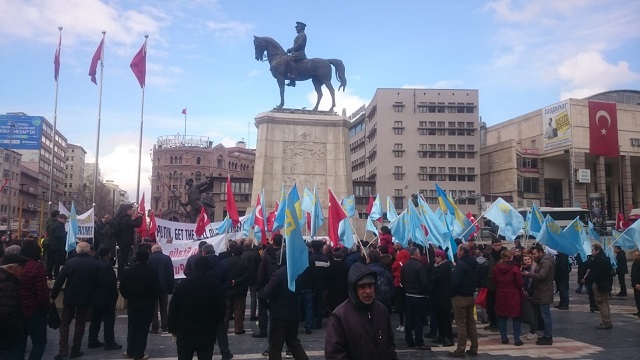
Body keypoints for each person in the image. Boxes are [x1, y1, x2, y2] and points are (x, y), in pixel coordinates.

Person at [325, 262, 399, 360]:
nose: (368, 291)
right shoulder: (339, 317)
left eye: (370, 286)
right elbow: (334, 355)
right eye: (362, 287)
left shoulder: (381, 310)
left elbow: (389, 345)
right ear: (354, 290)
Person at [168, 256, 225, 360]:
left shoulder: (182, 285)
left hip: (185, 332)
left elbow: (173, 309)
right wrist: (214, 324)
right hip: (206, 332)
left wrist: (172, 328)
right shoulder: (215, 285)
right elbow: (221, 310)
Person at [50, 242, 99, 360]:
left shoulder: (70, 263)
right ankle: (75, 349)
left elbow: (60, 280)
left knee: (65, 323)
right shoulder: (94, 263)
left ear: (77, 251)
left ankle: (63, 349)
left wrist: (53, 295)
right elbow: (97, 282)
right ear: (88, 251)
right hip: (86, 297)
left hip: (70, 297)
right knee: (80, 324)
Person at [263, 250, 309, 360]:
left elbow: (266, 292)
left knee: (275, 346)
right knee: (293, 342)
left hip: (279, 314)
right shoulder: (297, 273)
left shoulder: (278, 274)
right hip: (294, 311)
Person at [119, 249, 161, 360]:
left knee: (132, 327)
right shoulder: (152, 272)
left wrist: (128, 296)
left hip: (133, 303)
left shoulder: (128, 271)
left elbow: (122, 288)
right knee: (143, 329)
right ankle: (139, 353)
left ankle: (130, 351)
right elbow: (157, 289)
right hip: (147, 304)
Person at [18, 240, 50, 360]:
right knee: (39, 342)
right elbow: (42, 293)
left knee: (19, 343)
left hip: (18, 311)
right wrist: (46, 308)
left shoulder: (16, 267)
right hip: (35, 310)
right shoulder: (37, 267)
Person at [87, 247, 122, 351]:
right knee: (108, 321)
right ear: (107, 255)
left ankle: (92, 340)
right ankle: (109, 342)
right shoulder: (107, 266)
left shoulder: (94, 264)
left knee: (95, 320)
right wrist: (114, 295)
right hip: (106, 298)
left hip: (95, 297)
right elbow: (110, 282)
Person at [203, 244, 233, 360]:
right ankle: (225, 351)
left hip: (204, 298)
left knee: (203, 324)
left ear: (204, 252)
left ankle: (204, 350)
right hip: (220, 297)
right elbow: (228, 282)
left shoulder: (201, 265)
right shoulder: (223, 265)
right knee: (220, 325)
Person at [449, 244, 479, 357]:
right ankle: (474, 347)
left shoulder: (461, 264)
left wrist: (451, 293)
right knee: (471, 323)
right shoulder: (474, 263)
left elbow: (456, 281)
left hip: (460, 296)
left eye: (458, 250)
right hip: (470, 295)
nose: (457, 252)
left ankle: (460, 349)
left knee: (461, 325)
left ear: (462, 252)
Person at [522, 244, 555, 346]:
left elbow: (542, 276)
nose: (534, 256)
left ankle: (548, 336)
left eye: (535, 254)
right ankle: (546, 334)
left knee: (546, 315)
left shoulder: (546, 262)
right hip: (541, 291)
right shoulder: (542, 261)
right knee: (543, 315)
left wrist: (529, 274)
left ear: (541, 253)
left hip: (544, 292)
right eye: (533, 254)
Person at [400, 246, 430, 350]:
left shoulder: (405, 266)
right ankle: (419, 342)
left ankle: (409, 340)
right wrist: (425, 292)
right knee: (419, 320)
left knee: (409, 319)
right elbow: (425, 283)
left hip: (409, 295)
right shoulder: (419, 266)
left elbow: (402, 280)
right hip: (419, 296)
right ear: (417, 255)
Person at [0, 253, 28, 359]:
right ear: (11, 268)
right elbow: (5, 315)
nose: (23, 271)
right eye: (22, 267)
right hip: (7, 341)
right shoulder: (7, 285)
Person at [493, 249, 524, 346]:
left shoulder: (496, 268)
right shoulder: (515, 269)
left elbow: (494, 281)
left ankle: (504, 337)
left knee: (502, 316)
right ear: (511, 257)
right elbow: (520, 283)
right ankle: (517, 339)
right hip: (513, 294)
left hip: (501, 293)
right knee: (516, 316)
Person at [584, 244, 613, 329]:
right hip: (604, 284)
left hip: (601, 285)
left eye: (593, 250)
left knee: (602, 303)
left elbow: (597, 273)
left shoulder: (599, 259)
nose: (591, 252)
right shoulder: (603, 258)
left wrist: (589, 277)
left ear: (598, 251)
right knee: (604, 302)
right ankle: (607, 321)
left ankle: (606, 322)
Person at [429, 249, 454, 347]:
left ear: (442, 257)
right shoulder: (436, 266)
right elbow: (431, 277)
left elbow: (436, 279)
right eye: (435, 256)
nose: (436, 258)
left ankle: (449, 338)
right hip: (437, 296)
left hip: (444, 296)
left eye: (438, 256)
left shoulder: (445, 266)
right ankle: (441, 336)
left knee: (445, 319)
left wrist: (434, 274)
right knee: (439, 317)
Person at [148, 244, 174, 334]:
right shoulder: (167, 258)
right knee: (164, 308)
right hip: (164, 287)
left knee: (154, 308)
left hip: (152, 288)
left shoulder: (150, 259)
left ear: (153, 250)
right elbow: (171, 274)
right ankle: (165, 326)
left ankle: (155, 327)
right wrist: (171, 288)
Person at [113, 203, 144, 280]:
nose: (132, 212)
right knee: (123, 258)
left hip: (122, 241)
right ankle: (121, 275)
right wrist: (140, 216)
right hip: (125, 242)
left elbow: (132, 222)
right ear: (127, 211)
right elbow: (137, 224)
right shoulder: (125, 219)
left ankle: (121, 274)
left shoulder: (122, 218)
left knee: (123, 258)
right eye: (131, 210)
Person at [309, 240, 330, 331]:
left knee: (311, 305)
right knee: (320, 304)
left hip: (312, 286)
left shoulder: (309, 259)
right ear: (321, 248)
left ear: (312, 248)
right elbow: (329, 274)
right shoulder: (326, 260)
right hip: (323, 286)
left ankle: (311, 322)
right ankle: (319, 322)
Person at [241, 240, 261, 321]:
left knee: (243, 297)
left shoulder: (242, 254)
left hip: (244, 278)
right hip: (254, 277)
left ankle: (241, 316)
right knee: (253, 297)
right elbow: (260, 264)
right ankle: (252, 315)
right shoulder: (255, 254)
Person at [45, 212, 68, 280]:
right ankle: (56, 275)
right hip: (58, 247)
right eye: (64, 219)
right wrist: (66, 233)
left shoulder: (54, 225)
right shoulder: (59, 226)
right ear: (60, 219)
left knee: (51, 261)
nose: (65, 221)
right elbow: (58, 235)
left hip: (53, 246)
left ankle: (49, 274)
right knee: (57, 262)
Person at [391, 249, 409, 332]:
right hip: (408, 286)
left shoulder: (398, 263)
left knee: (401, 306)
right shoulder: (408, 262)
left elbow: (393, 269)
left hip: (399, 285)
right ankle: (408, 324)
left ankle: (402, 324)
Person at [285, 21, 307, 87]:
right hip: (295, 53)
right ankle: (292, 82)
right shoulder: (299, 35)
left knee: (289, 59)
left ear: (301, 28)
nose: (296, 28)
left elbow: (299, 45)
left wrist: (291, 49)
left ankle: (295, 75)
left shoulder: (302, 35)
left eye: (297, 27)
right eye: (296, 27)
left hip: (300, 53)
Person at [631, 251, 640, 317]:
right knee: (637, 298)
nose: (633, 256)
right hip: (635, 283)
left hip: (638, 284)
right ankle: (639, 310)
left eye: (635, 255)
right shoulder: (635, 262)